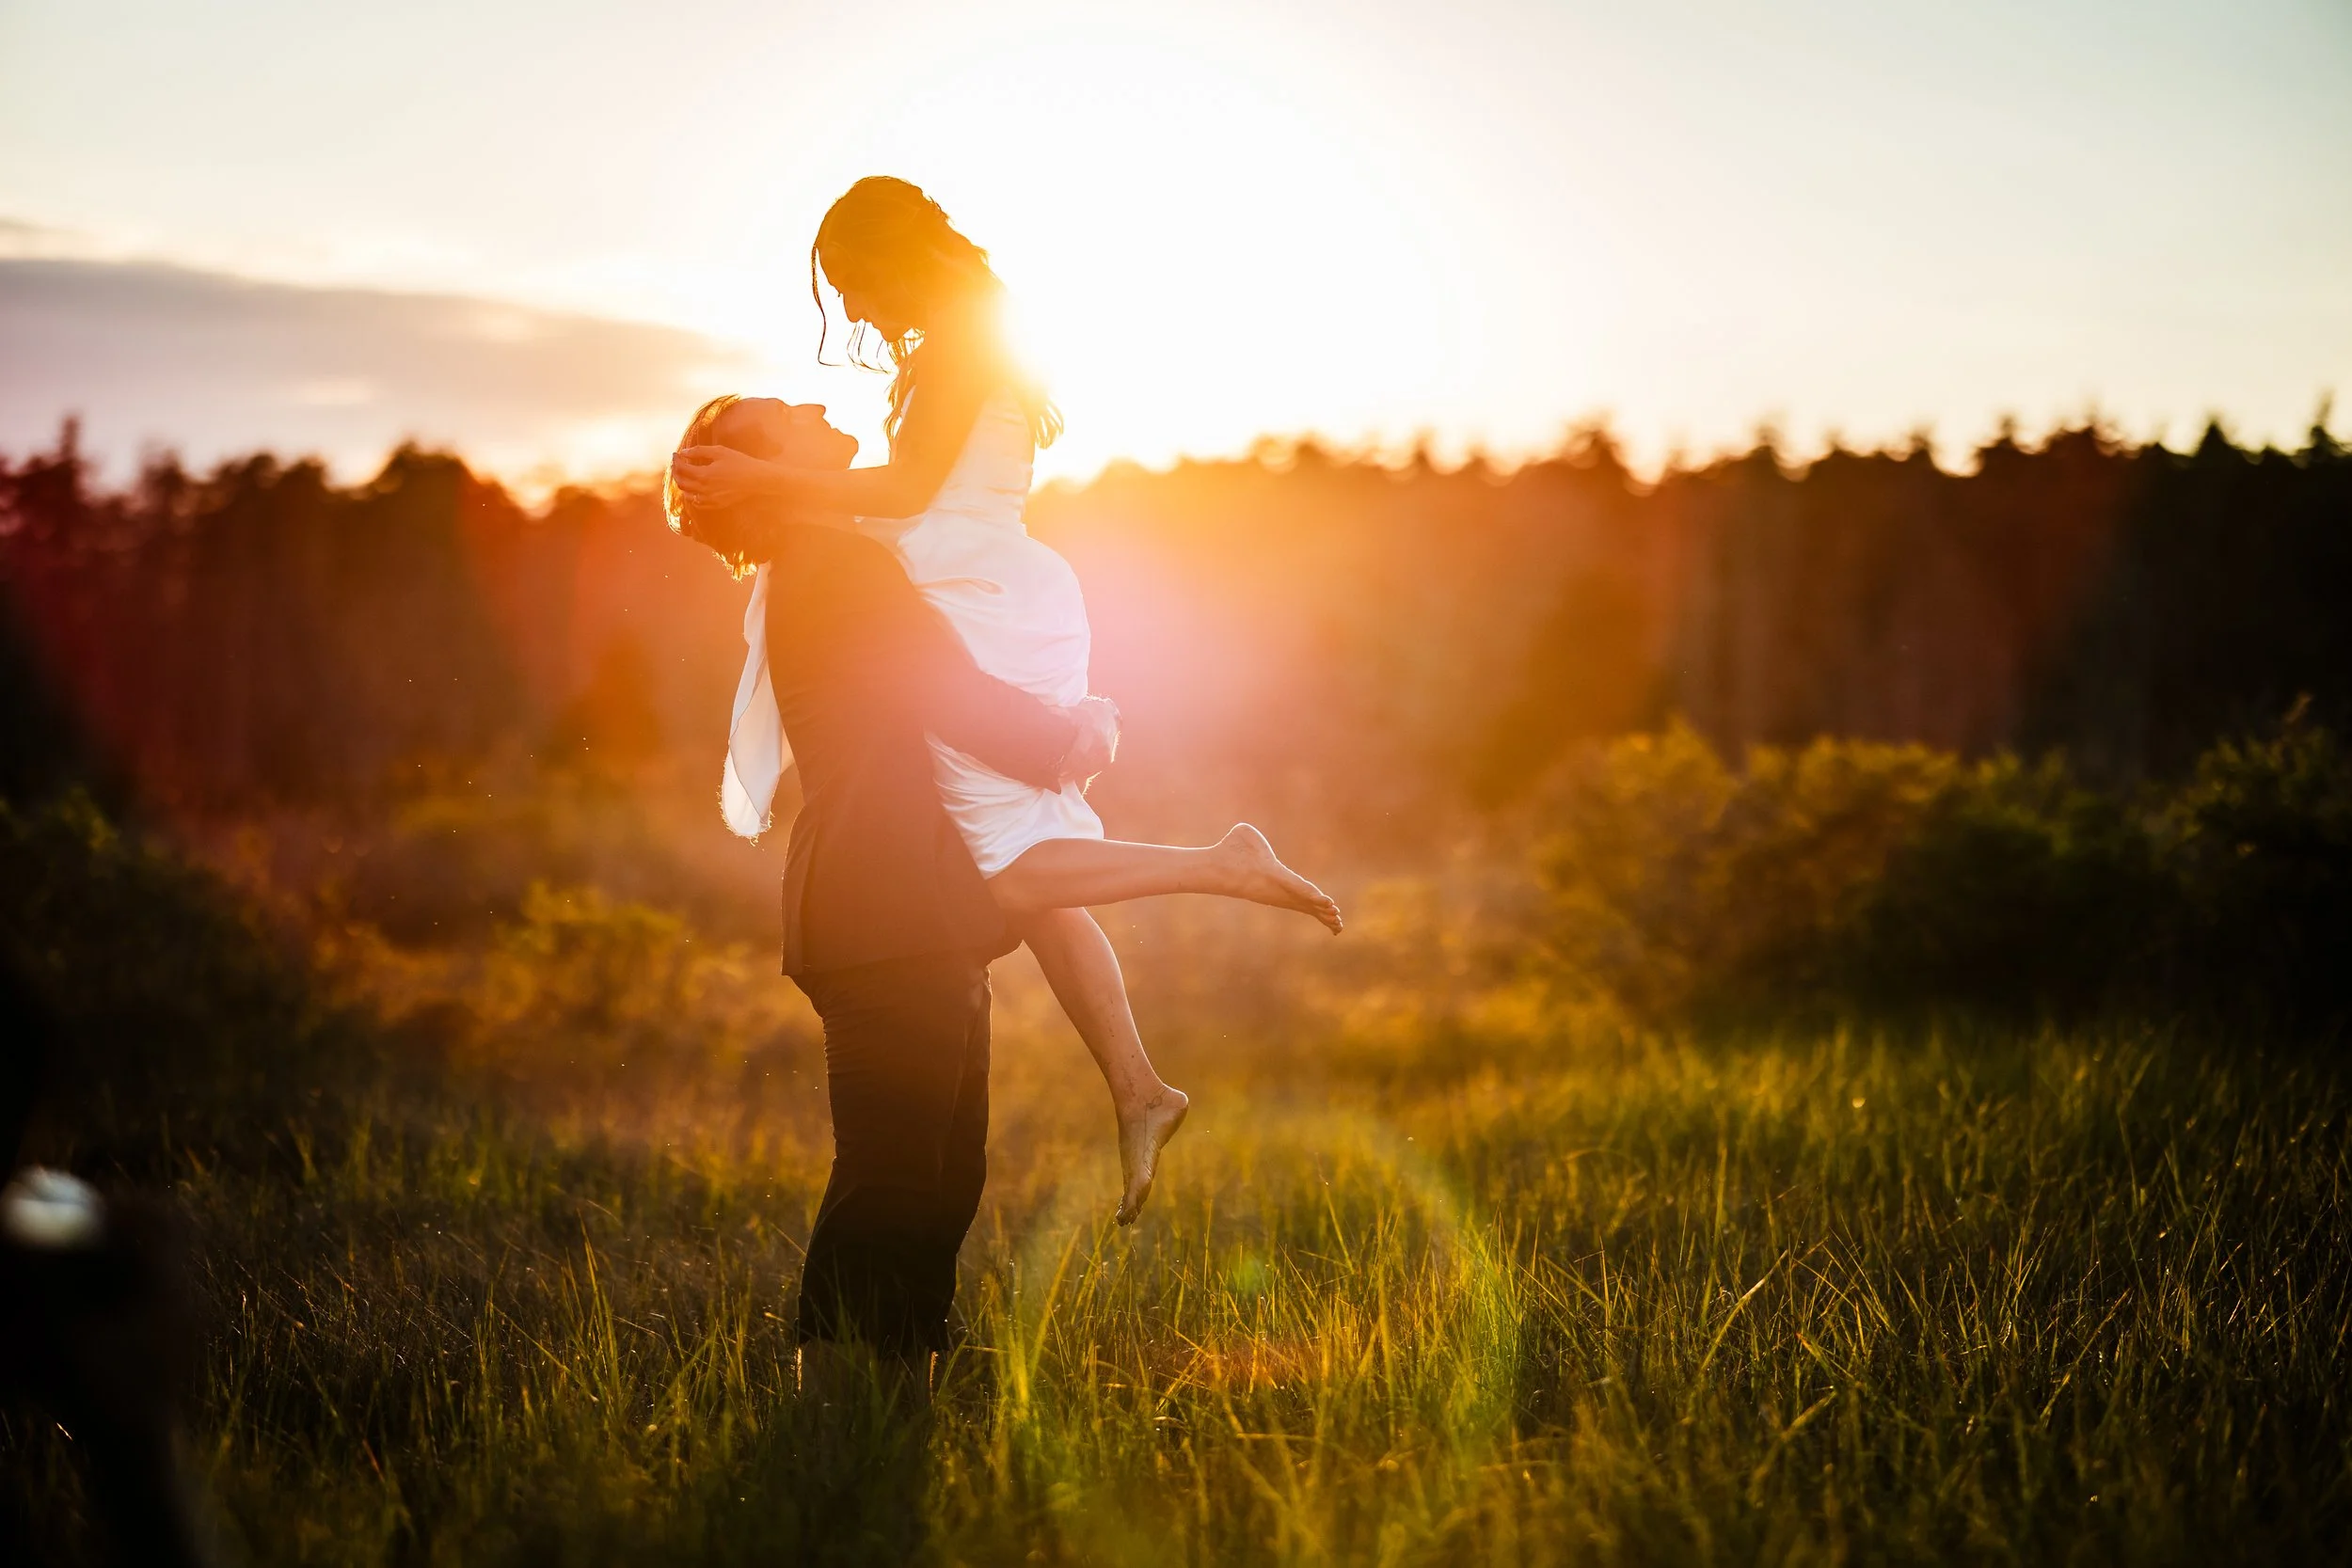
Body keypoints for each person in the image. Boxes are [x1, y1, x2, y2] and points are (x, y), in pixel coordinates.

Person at [670, 176, 1341, 1228]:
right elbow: (906, 495)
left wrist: (765, 483)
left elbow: (900, 493)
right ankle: (1137, 1084)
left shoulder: (957, 350)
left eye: (852, 283)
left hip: (981, 594)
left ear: (893, 257)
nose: (852, 313)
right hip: (991, 583)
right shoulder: (965, 345)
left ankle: (1219, 869)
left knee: (1005, 852)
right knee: (1017, 854)